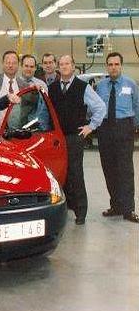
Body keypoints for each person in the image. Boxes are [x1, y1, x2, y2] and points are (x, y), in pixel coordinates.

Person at [48, 55, 106, 225]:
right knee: (59, 173)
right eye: (61, 64)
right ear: (58, 67)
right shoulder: (52, 88)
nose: (64, 66)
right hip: (56, 139)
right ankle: (67, 206)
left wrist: (91, 127)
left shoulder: (83, 87)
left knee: (75, 173)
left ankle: (81, 211)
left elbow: (100, 107)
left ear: (73, 67)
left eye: (67, 64)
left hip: (74, 137)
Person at [96, 52, 139, 223]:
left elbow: (137, 105)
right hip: (105, 128)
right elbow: (96, 107)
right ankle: (116, 206)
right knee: (109, 168)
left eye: (116, 64)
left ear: (121, 65)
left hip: (124, 127)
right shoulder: (100, 85)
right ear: (107, 66)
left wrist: (134, 127)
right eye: (110, 64)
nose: (113, 67)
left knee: (125, 170)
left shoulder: (131, 84)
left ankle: (129, 210)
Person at [0, 51, 28, 129]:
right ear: (3, 64)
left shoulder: (24, 85)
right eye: (8, 62)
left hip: (16, 131)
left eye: (14, 63)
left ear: (18, 65)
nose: (10, 65)